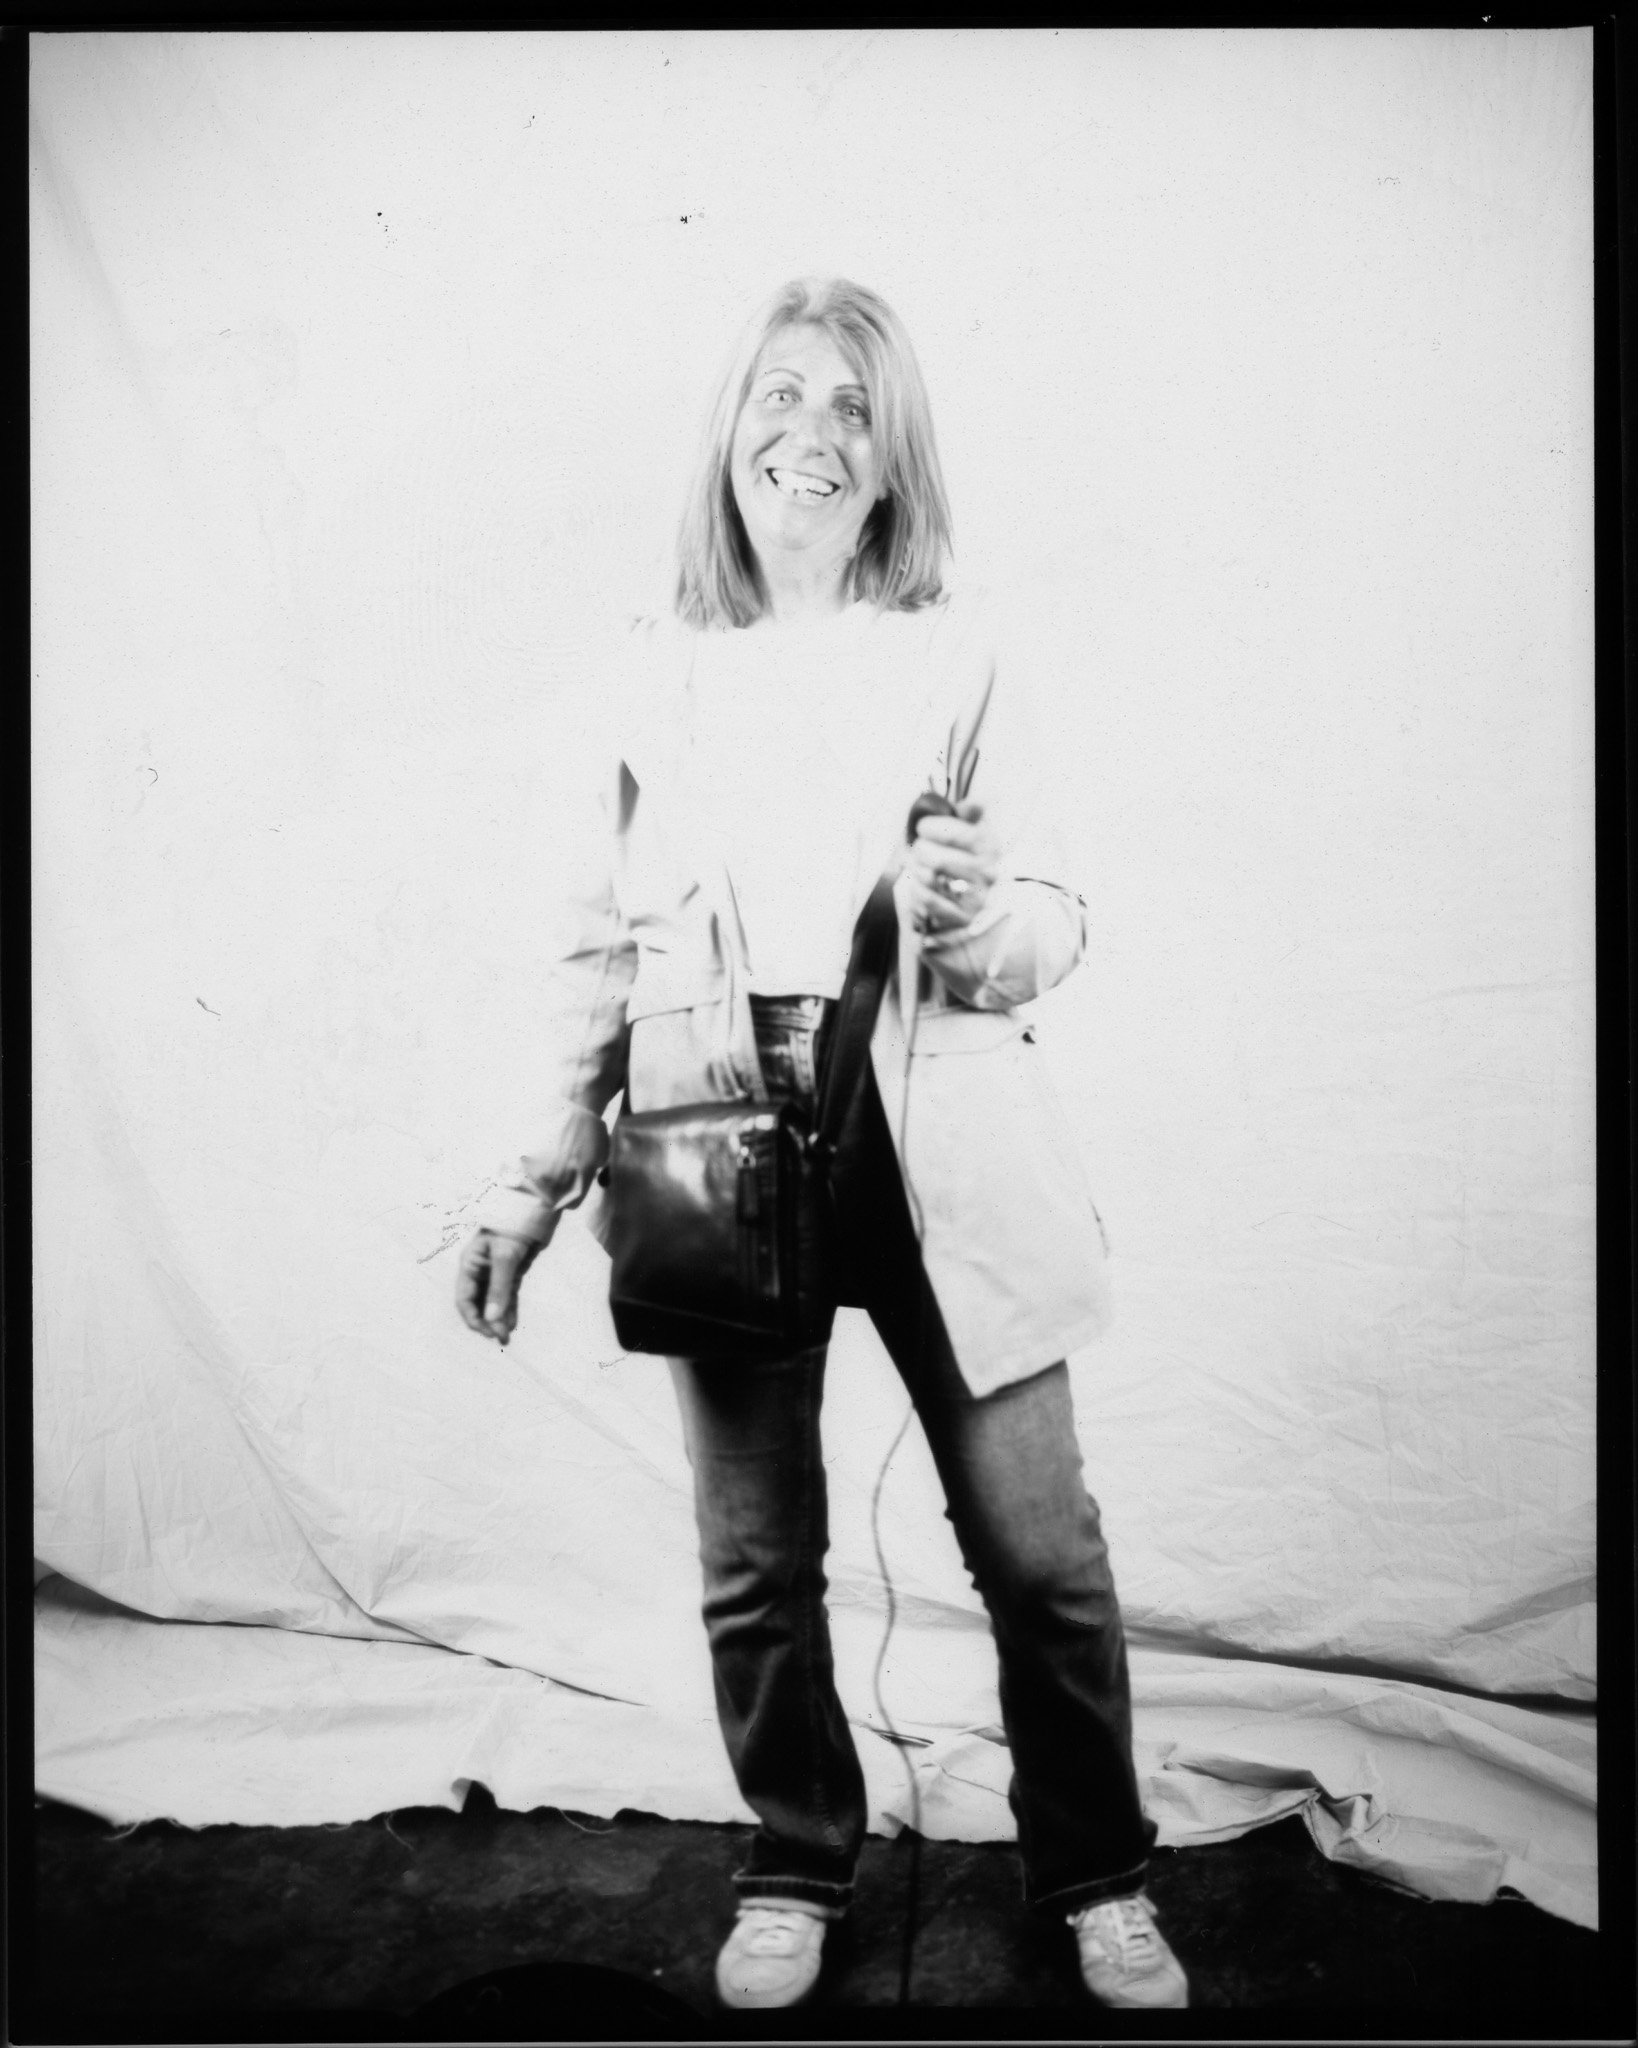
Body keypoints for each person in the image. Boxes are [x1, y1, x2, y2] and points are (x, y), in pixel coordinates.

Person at [455, 276, 1188, 2012]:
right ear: (730, 432)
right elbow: (592, 952)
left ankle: (1096, 1873)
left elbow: (1054, 923)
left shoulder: (964, 653)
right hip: (715, 1134)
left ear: (892, 455)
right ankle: (796, 1862)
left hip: (939, 1133)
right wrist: (527, 1177)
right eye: (781, 395)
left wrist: (969, 919)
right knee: (750, 1558)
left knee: (1040, 1552)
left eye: (853, 407)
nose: (811, 432)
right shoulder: (653, 676)